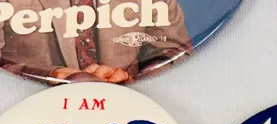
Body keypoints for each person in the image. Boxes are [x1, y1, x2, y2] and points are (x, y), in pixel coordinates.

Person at [0, 0, 192, 84]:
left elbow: (175, 52)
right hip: (28, 116)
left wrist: (134, 83)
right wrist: (48, 77)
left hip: (127, 118)